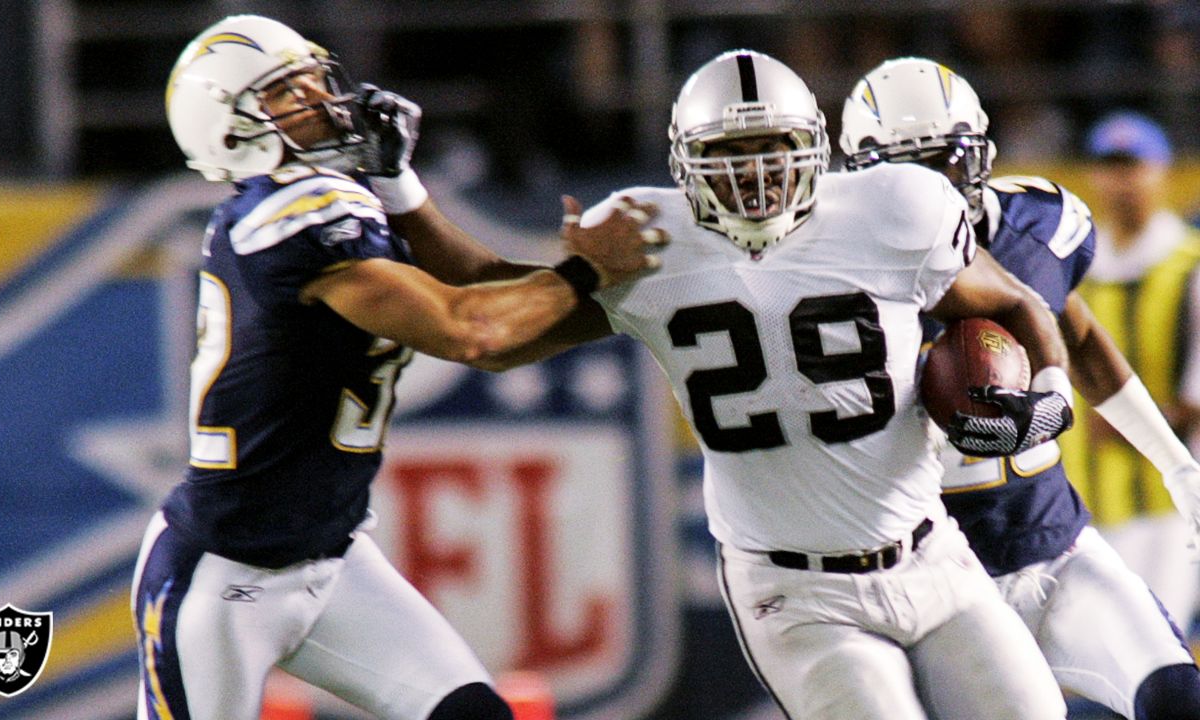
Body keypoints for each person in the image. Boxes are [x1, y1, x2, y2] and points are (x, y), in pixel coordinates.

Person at [398, 48, 1078, 719]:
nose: (756, 175)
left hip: (934, 555)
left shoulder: (894, 210)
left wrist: (1049, 400)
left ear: (814, 145)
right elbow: (496, 309)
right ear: (685, 163)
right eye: (731, 153)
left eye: (774, 147)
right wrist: (400, 187)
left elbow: (1015, 302)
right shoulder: (645, 238)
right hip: (797, 595)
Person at [134, 14, 664, 720]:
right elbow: (473, 330)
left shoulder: (339, 200)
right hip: (223, 580)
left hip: (335, 561)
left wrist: (401, 188)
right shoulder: (290, 216)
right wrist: (593, 274)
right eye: (288, 92)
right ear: (231, 130)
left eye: (315, 78)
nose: (323, 97)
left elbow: (485, 293)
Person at [839, 57, 1200, 720]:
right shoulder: (832, 281)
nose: (927, 191)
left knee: (1178, 699)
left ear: (979, 157)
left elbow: (1082, 339)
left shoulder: (1035, 226)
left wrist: (1176, 465)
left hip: (1058, 548)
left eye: (942, 161)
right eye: (902, 170)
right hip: (938, 588)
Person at [1065, 110, 1200, 632]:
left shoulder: (1188, 264)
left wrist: (1143, 421)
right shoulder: (1074, 265)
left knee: (1156, 645)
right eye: (1109, 166)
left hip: (1167, 503)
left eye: (1133, 166)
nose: (1121, 182)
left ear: (1161, 171)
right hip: (1081, 502)